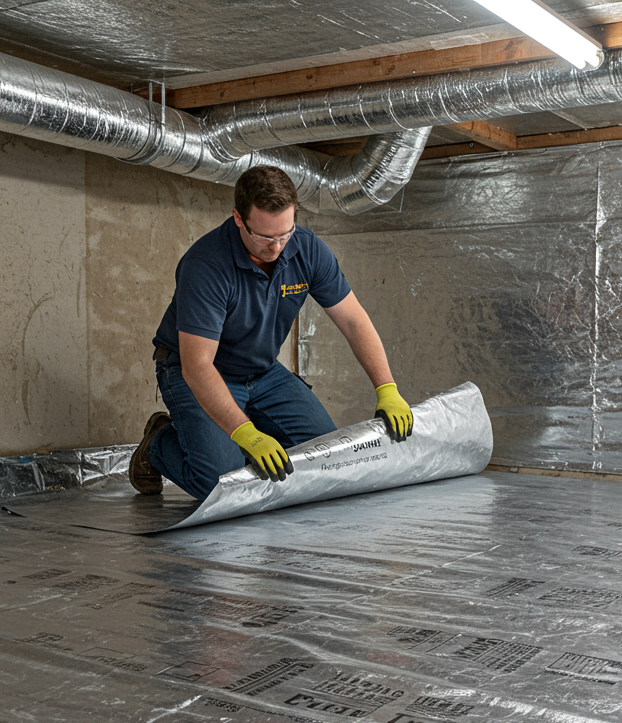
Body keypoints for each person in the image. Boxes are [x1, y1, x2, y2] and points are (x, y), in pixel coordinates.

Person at [129, 165, 414, 500]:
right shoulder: (206, 266)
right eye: (264, 237)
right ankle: (159, 443)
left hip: (262, 372)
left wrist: (387, 388)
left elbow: (353, 320)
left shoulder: (307, 249)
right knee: (224, 486)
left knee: (329, 462)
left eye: (285, 234)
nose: (277, 246)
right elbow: (198, 366)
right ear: (238, 218)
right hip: (196, 371)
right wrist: (245, 433)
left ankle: (233, 440)